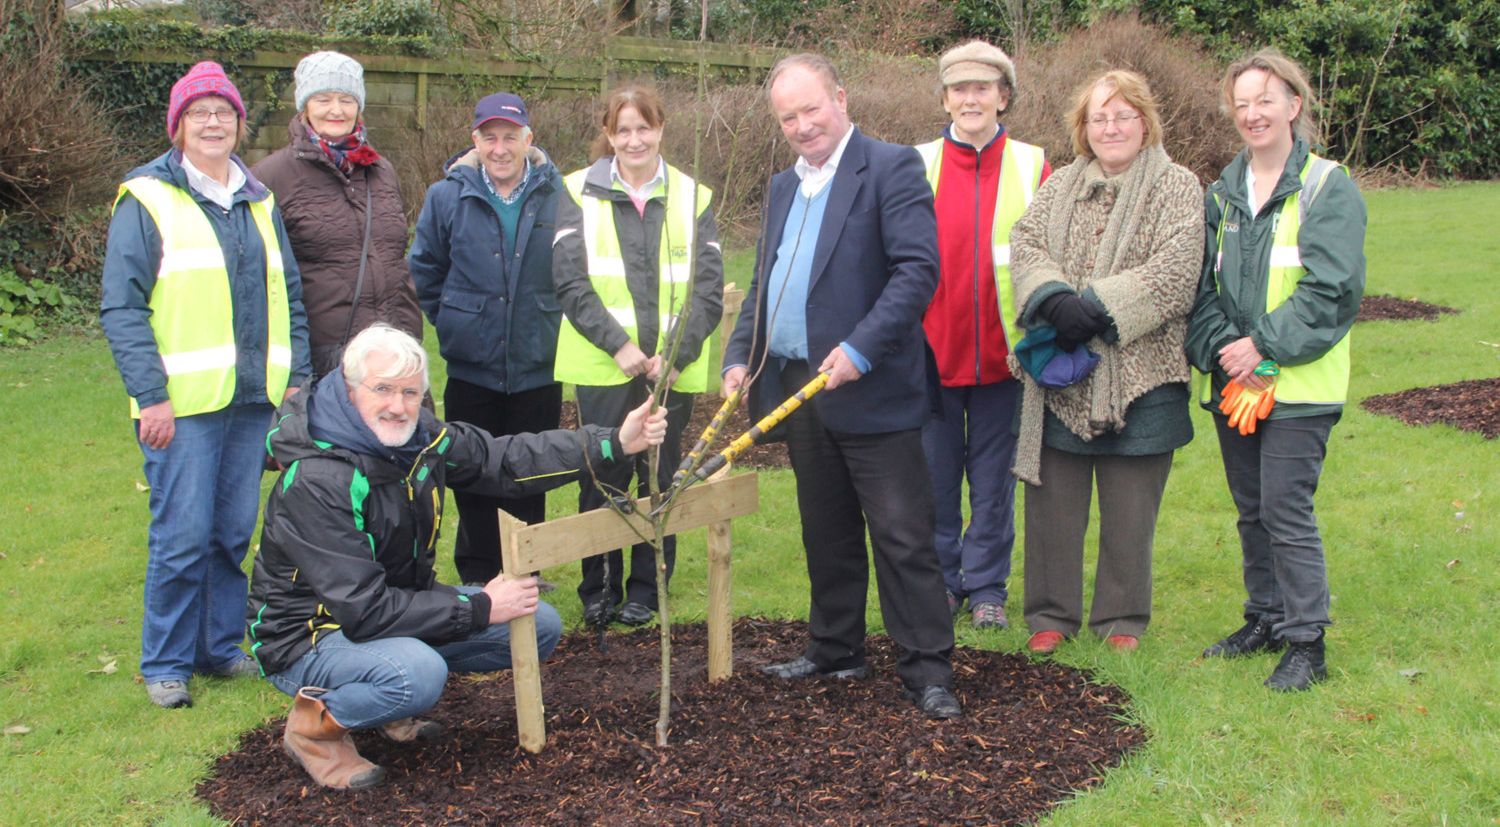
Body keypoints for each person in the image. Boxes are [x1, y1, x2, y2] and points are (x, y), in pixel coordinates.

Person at [246, 324, 668, 790]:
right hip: (307, 636)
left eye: (411, 392)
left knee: (537, 625)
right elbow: (364, 610)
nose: (398, 405)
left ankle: (384, 704)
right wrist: (481, 607)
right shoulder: (318, 478)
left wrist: (612, 442)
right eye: (382, 389)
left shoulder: (416, 437)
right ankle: (315, 731)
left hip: (389, 609)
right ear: (349, 389)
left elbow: (500, 460)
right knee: (415, 675)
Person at [721, 54, 960, 720]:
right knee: (825, 527)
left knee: (902, 533)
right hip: (799, 384)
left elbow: (917, 272)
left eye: (811, 109)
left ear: (841, 98)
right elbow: (765, 283)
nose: (802, 126)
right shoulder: (779, 189)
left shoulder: (890, 168)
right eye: (788, 116)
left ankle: (928, 670)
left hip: (872, 384)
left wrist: (860, 348)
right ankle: (836, 647)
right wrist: (742, 355)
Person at [100, 61, 313, 709]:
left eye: (224, 111)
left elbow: (289, 298)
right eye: (200, 112)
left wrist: (297, 383)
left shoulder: (258, 199)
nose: (214, 121)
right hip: (181, 408)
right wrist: (152, 394)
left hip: (251, 402)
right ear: (179, 126)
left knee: (229, 533)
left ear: (239, 124)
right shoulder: (147, 197)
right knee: (181, 535)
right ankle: (165, 660)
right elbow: (122, 306)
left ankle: (218, 648)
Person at [1186, 50, 1365, 691]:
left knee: (1286, 510)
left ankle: (1306, 643)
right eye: (1242, 103)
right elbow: (1199, 290)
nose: (1253, 113)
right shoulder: (1220, 193)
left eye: (1266, 99)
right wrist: (1223, 352)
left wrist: (1259, 346)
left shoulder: (1326, 187)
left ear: (1294, 105)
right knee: (1251, 508)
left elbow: (1332, 293)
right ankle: (1263, 617)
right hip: (1236, 384)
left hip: (1299, 386)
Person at [1009, 70, 1203, 655]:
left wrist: (1094, 305)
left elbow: (1178, 267)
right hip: (1062, 375)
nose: (1111, 126)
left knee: (1130, 510)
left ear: (1145, 122)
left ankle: (1122, 622)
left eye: (1123, 115)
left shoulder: (1178, 184)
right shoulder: (1061, 184)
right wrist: (1055, 300)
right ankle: (1050, 616)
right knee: (1052, 509)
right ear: (1083, 128)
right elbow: (1026, 243)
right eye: (1099, 117)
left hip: (1145, 372)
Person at [552, 84, 723, 628]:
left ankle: (647, 588)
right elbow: (569, 281)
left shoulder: (694, 196)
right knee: (601, 477)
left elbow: (708, 290)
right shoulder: (576, 191)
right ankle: (596, 587)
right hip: (607, 368)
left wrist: (676, 355)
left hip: (670, 372)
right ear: (608, 134)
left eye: (643, 128)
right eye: (622, 129)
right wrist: (620, 346)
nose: (633, 139)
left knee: (661, 478)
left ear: (660, 129)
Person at [914, 41, 1049, 631]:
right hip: (930, 358)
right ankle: (944, 581)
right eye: (959, 89)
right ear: (944, 97)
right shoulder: (914, 164)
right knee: (936, 480)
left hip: (1007, 359)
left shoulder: (1033, 165)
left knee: (994, 484)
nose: (971, 99)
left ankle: (988, 586)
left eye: (983, 88)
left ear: (1004, 96)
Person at [409, 92, 566, 586]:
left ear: (529, 140)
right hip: (471, 368)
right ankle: (479, 578)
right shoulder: (446, 196)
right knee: (472, 472)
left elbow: (573, 272)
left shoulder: (559, 196)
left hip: (537, 365)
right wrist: (456, 319)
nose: (500, 148)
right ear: (475, 141)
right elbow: (424, 270)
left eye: (510, 137)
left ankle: (525, 574)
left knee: (531, 474)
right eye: (490, 137)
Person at [253, 51, 422, 378]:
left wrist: (410, 335)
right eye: (323, 98)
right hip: (323, 360)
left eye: (346, 99)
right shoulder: (270, 177)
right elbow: (265, 282)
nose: (336, 110)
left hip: (393, 352)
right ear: (304, 106)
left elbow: (394, 261)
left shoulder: (382, 171)